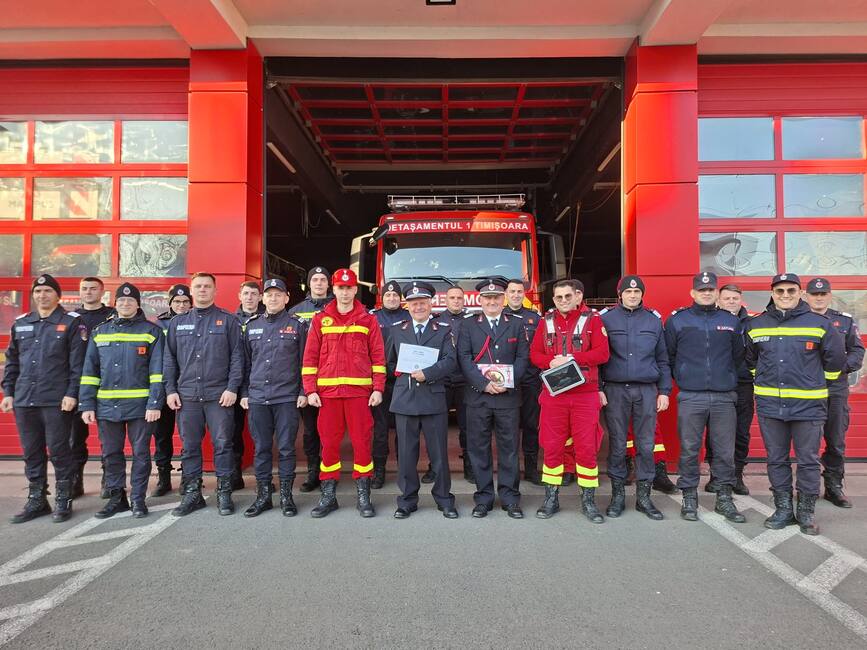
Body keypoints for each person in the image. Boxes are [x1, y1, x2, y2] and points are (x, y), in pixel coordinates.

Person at [745, 273, 845, 535]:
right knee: (776, 459)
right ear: (773, 293)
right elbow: (751, 360)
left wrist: (813, 384)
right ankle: (783, 509)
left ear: (800, 293)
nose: (785, 295)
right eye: (780, 291)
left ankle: (806, 511)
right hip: (770, 405)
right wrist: (763, 382)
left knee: (808, 460)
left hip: (808, 406)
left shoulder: (820, 324)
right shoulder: (757, 325)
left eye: (791, 290)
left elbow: (834, 362)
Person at [301, 269, 386, 518]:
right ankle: (329, 496)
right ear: (334, 290)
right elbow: (310, 357)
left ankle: (364, 495)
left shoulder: (368, 319)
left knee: (362, 443)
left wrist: (378, 387)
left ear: (355, 290)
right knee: (328, 445)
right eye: (341, 288)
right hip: (328, 395)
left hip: (360, 393)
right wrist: (310, 389)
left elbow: (378, 357)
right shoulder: (320, 319)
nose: (345, 292)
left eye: (349, 288)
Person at [2, 274, 86, 523]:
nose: (42, 295)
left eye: (48, 291)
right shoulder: (22, 323)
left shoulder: (72, 322)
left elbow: (77, 365)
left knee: (60, 450)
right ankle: (37, 500)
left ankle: (63, 499)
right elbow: (12, 362)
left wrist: (72, 393)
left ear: (57, 295)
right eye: (38, 292)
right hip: (25, 399)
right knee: (31, 452)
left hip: (56, 399)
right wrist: (8, 393)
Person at [664, 271, 746, 524]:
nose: (706, 293)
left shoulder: (730, 321)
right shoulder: (678, 320)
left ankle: (724, 498)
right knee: (689, 450)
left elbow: (738, 356)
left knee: (724, 451)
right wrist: (685, 376)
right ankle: (690, 498)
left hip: (723, 396)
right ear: (693, 293)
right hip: (691, 395)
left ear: (716, 292)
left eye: (710, 289)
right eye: (702, 290)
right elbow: (669, 355)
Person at [79, 283, 164, 519]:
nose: (125, 304)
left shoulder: (151, 331)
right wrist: (86, 404)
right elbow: (90, 371)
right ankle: (117, 499)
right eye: (121, 300)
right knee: (111, 454)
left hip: (140, 408)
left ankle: (138, 499)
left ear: (138, 304)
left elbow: (158, 372)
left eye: (130, 300)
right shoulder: (100, 332)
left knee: (141, 454)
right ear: (115, 303)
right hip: (106, 406)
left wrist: (155, 404)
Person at [163, 272, 244, 517]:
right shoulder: (178, 323)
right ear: (191, 290)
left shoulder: (228, 321)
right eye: (198, 286)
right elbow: (169, 360)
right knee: (189, 447)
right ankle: (192, 494)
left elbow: (237, 358)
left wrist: (232, 388)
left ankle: (224, 493)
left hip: (219, 396)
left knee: (222, 445)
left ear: (215, 290)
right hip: (187, 396)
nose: (202, 290)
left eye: (207, 286)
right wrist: (170, 390)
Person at [530, 279, 609, 522]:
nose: (563, 300)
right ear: (553, 299)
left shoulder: (593, 320)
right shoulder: (546, 321)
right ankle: (551, 498)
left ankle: (588, 501)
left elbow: (602, 353)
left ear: (577, 296)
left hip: (585, 395)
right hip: (554, 396)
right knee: (552, 447)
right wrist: (550, 361)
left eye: (567, 296)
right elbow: (534, 354)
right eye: (558, 297)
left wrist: (572, 357)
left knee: (586, 449)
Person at [385, 281, 459, 519]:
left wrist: (428, 373)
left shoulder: (444, 329)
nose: (419, 307)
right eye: (414, 303)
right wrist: (401, 370)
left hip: (433, 398)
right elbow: (387, 363)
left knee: (439, 454)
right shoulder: (397, 329)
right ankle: (407, 500)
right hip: (405, 398)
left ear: (430, 304)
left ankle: (444, 499)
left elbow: (450, 361)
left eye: (423, 303)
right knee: (406, 455)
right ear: (407, 305)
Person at [457, 277, 529, 519]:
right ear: (480, 300)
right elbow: (464, 359)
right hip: (478, 397)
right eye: (487, 298)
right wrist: (484, 384)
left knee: (509, 450)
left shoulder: (516, 324)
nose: (492, 301)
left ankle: (510, 498)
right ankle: (484, 498)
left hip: (508, 398)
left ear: (503, 299)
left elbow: (522, 358)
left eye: (496, 297)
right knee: (479, 449)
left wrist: (506, 382)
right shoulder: (468, 325)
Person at [599, 275, 670, 520]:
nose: (632, 295)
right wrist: (598, 388)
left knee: (646, 445)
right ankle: (617, 497)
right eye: (628, 292)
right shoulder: (606, 319)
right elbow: (598, 358)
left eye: (637, 292)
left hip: (647, 390)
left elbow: (663, 359)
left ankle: (644, 499)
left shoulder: (653, 321)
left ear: (642, 294)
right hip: (615, 390)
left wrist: (665, 391)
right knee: (618, 445)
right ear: (620, 294)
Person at [239, 278, 307, 517]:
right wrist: (245, 393)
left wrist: (303, 392)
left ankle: (287, 497)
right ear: (262, 298)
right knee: (262, 449)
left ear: (287, 298)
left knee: (287, 449)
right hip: (258, 398)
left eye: (278, 294)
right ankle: (263, 496)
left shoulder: (298, 326)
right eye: (269, 294)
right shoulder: (251, 325)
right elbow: (245, 364)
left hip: (287, 398)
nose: (273, 298)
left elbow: (304, 363)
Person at [802, 277, 863, 509]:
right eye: (814, 294)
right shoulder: (799, 321)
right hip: (806, 388)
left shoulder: (844, 321)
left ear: (829, 295)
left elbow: (857, 349)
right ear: (805, 296)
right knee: (807, 441)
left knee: (835, 440)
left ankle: (833, 486)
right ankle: (807, 488)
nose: (819, 298)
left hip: (835, 389)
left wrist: (842, 367)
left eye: (823, 294)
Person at [704, 283, 755, 495]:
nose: (731, 302)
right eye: (727, 298)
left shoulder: (752, 322)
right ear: (718, 300)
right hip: (718, 386)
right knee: (715, 433)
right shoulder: (711, 321)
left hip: (743, 385)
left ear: (740, 300)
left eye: (735, 298)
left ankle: (737, 476)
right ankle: (716, 475)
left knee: (741, 432)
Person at [289, 266, 334, 494]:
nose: (318, 283)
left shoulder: (340, 308)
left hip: (333, 379)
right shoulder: (295, 312)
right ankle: (313, 472)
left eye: (322, 280)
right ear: (309, 284)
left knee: (332, 430)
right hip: (307, 380)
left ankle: (330, 472)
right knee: (310, 431)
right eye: (314, 279)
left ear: (329, 284)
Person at [70, 276, 114, 499]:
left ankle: (109, 479)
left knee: (109, 437)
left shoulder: (113, 316)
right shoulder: (71, 319)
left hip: (109, 383)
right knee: (75, 436)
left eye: (93, 288)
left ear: (102, 291)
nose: (88, 292)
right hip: (79, 385)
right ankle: (75, 480)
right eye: (84, 289)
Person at [369, 280, 409, 488]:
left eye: (395, 296)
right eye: (388, 296)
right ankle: (379, 471)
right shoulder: (373, 318)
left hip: (404, 381)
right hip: (380, 382)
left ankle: (405, 470)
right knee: (380, 429)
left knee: (404, 428)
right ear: (382, 298)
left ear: (400, 298)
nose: (392, 298)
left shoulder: (409, 317)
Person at [152, 283, 191, 497]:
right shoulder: (159, 324)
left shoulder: (195, 321)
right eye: (177, 302)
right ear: (170, 303)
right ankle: (164, 477)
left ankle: (188, 476)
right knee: (162, 435)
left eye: (186, 302)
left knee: (188, 435)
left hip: (187, 385)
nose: (181, 305)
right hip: (164, 386)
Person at [431, 285, 474, 483]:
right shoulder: (437, 322)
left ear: (463, 300)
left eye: (459, 298)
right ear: (445, 300)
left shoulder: (473, 322)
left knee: (467, 426)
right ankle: (435, 467)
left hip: (465, 381)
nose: (456, 301)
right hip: (443, 381)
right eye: (452, 298)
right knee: (437, 426)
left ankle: (469, 465)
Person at [505, 279, 543, 486]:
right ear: (506, 294)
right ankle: (511, 469)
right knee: (509, 426)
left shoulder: (535, 318)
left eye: (520, 291)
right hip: (508, 381)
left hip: (530, 380)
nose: (516, 295)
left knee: (530, 425)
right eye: (512, 292)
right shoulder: (500, 316)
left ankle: (530, 469)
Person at [230, 281, 266, 490]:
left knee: (260, 434)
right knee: (233, 432)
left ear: (260, 297)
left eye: (254, 294)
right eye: (246, 293)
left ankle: (264, 478)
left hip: (258, 384)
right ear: (239, 295)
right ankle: (235, 475)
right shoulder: (229, 321)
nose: (250, 297)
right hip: (233, 385)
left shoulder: (266, 319)